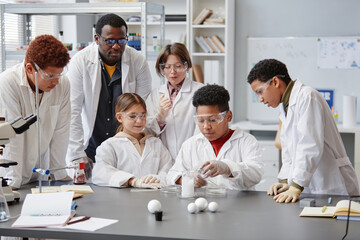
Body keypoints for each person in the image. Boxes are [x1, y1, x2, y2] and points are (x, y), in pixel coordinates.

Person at [247, 58, 360, 203]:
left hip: (331, 184)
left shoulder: (307, 97)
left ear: (275, 82)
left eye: (260, 92)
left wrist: (296, 186)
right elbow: (288, 149)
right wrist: (286, 181)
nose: (260, 99)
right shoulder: (285, 105)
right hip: (313, 186)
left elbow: (309, 145)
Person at [66, 13, 152, 167]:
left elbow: (143, 107)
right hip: (90, 146)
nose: (116, 46)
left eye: (121, 40)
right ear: (97, 38)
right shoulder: (80, 62)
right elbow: (73, 110)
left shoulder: (138, 61)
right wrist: (77, 154)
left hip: (124, 146)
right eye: (110, 41)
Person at [0, 35, 72, 189]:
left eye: (59, 74)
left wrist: (58, 173)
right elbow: (12, 136)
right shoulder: (7, 83)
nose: (56, 81)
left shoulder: (62, 84)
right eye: (50, 76)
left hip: (40, 174)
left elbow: (61, 130)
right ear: (29, 69)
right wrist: (12, 180)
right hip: (11, 174)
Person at [166, 84, 263, 190]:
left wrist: (227, 168)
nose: (206, 127)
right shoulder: (190, 145)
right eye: (201, 120)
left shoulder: (246, 141)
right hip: (202, 203)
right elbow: (171, 175)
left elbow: (256, 174)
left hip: (238, 204)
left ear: (228, 116)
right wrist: (185, 179)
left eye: (213, 120)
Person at [92, 93, 172, 188]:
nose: (139, 121)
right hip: (123, 200)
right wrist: (132, 181)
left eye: (143, 116)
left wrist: (157, 178)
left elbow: (168, 171)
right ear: (120, 117)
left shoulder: (156, 143)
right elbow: (100, 173)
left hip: (153, 198)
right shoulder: (109, 146)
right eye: (133, 116)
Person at [146, 43, 203, 161]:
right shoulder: (155, 94)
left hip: (193, 157)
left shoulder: (200, 91)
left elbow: (202, 130)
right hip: (163, 160)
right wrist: (161, 116)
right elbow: (147, 132)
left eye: (178, 66)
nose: (173, 72)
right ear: (162, 68)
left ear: (187, 66)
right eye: (167, 67)